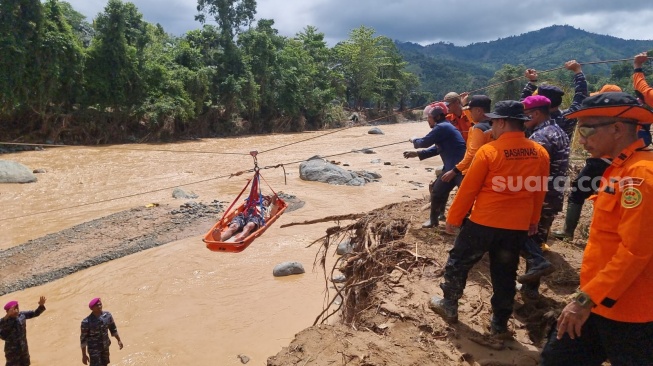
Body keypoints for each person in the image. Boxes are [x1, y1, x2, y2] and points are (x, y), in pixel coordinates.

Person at [540, 92, 653, 365]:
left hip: (629, 313)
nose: (581, 140)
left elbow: (635, 250)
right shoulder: (618, 168)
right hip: (598, 300)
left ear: (616, 129)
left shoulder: (640, 175)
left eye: (587, 130)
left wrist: (584, 300)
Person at [429, 101, 549, 336]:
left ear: (502, 122)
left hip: (483, 223)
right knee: (505, 274)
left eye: (493, 122)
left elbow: (469, 190)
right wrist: (533, 220)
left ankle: (450, 306)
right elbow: (539, 190)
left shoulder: (489, 151)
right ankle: (499, 324)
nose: (491, 127)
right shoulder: (540, 152)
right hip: (516, 227)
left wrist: (454, 218)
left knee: (458, 263)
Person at [552, 84, 623, 240]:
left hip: (600, 162)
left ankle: (568, 232)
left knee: (578, 192)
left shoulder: (604, 118)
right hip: (618, 162)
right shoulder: (627, 118)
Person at [517, 95, 570, 297]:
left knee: (522, 238)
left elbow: (530, 172)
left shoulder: (540, 137)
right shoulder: (558, 131)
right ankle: (530, 289)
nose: (523, 120)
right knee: (537, 239)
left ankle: (532, 282)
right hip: (553, 196)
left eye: (525, 115)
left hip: (540, 197)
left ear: (536, 113)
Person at [404, 102, 466, 229]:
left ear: (437, 117)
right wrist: (416, 154)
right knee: (437, 192)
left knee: (466, 197)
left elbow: (424, 142)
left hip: (459, 168)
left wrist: (414, 140)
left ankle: (467, 225)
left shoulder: (441, 127)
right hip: (452, 167)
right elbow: (436, 149)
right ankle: (434, 220)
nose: (428, 120)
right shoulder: (445, 127)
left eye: (429, 118)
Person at [522, 60, 588, 142]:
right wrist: (578, 71)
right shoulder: (569, 117)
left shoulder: (533, 120)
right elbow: (581, 95)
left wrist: (532, 82)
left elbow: (523, 106)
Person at [440, 95, 494, 183]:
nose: (469, 113)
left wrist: (455, 171)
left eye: (470, 110)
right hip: (491, 168)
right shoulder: (495, 125)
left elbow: (472, 154)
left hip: (477, 170)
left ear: (478, 111)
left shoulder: (478, 128)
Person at [0, 297, 46, 366]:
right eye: (13, 309)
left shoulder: (22, 315)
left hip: (23, 349)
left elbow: (35, 313)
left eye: (17, 308)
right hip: (12, 352)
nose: (16, 310)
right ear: (8, 312)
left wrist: (41, 305)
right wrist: (7, 315)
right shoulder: (5, 321)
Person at [81, 298, 123, 366]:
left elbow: (113, 329)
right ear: (92, 308)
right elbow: (83, 339)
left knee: (105, 364)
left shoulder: (107, 315)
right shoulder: (86, 322)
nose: (100, 306)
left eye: (100, 304)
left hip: (105, 347)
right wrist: (84, 355)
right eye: (97, 305)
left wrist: (119, 340)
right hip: (94, 350)